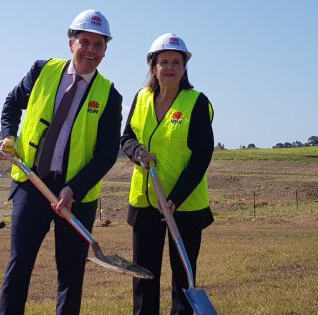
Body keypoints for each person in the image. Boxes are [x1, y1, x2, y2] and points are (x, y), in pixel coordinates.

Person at [0, 9, 122, 315]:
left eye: (99, 45)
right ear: (71, 43)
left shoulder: (109, 95)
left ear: (105, 50)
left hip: (76, 196)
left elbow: (106, 153)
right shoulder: (42, 70)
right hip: (31, 184)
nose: (91, 51)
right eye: (85, 42)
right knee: (19, 265)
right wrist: (9, 136)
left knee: (71, 275)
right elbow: (11, 102)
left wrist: (73, 189)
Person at [120, 33, 215, 315]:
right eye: (164, 62)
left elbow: (201, 157)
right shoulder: (141, 98)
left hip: (183, 205)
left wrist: (175, 198)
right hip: (146, 200)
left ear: (185, 68)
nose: (170, 67)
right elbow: (126, 137)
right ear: (153, 67)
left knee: (183, 277)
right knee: (144, 274)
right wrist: (137, 151)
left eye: (177, 62)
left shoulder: (196, 102)